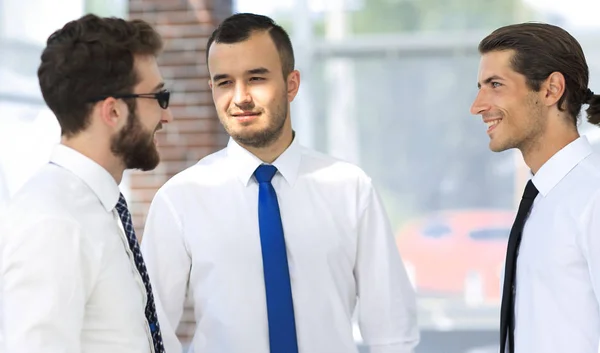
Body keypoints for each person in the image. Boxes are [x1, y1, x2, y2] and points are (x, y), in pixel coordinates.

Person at [141, 12, 419, 353]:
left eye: (256, 78)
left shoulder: (350, 189)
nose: (240, 97)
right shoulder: (180, 199)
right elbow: (150, 330)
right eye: (225, 82)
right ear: (212, 89)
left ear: (291, 84)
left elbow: (391, 328)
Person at [0, 14, 173, 353]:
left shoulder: (97, 205)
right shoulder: (54, 221)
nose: (167, 115)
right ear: (113, 112)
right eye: (158, 98)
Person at [470, 22, 600, 353]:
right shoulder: (544, 197)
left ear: (550, 89)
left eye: (495, 85)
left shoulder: (593, 196)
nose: (478, 106)